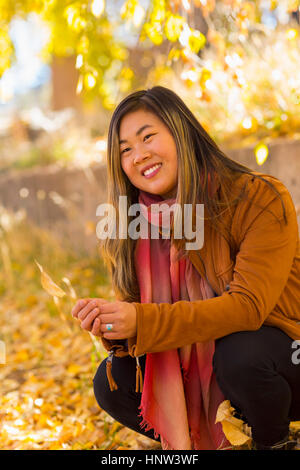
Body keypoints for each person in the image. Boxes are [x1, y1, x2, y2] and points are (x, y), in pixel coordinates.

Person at [71, 86, 300, 451]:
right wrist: (115, 325)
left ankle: (274, 442)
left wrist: (142, 321)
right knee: (112, 380)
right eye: (125, 150)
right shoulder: (137, 225)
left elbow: (249, 308)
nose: (138, 155)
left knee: (241, 353)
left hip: (288, 352)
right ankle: (206, 441)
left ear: (182, 132)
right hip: (226, 369)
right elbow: (143, 320)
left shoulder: (258, 197)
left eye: (148, 137)